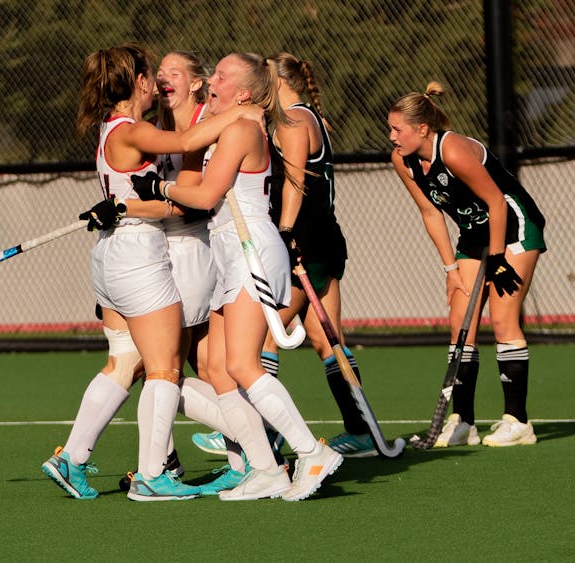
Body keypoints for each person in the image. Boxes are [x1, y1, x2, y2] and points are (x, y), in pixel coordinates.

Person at [41, 43, 257, 502]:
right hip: (139, 257)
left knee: (123, 363)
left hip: (112, 256)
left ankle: (72, 458)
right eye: (149, 74)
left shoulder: (111, 129)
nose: (155, 81)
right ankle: (154, 474)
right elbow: (184, 143)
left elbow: (160, 200)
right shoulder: (132, 130)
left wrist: (129, 202)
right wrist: (247, 112)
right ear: (138, 82)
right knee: (164, 369)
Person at [133, 52, 344, 501]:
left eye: (223, 76)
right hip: (229, 256)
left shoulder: (242, 129)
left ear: (244, 92)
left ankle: (311, 452)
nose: (213, 79)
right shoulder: (231, 123)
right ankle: (266, 469)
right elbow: (188, 137)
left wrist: (160, 188)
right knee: (221, 370)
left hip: (253, 253)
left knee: (244, 365)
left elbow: (207, 195)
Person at [190, 52, 378, 460]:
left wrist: (287, 230)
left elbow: (293, 183)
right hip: (321, 239)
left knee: (263, 340)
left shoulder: (293, 121)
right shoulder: (314, 118)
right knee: (325, 339)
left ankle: (263, 432)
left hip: (303, 240)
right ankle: (360, 428)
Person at [387, 81, 546, 447]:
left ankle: (518, 421)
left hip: (514, 227)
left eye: (397, 129)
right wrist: (450, 269)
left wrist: (499, 261)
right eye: (390, 128)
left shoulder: (454, 151)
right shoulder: (401, 160)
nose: (392, 136)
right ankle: (463, 422)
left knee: (504, 319)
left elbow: (497, 202)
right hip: (474, 234)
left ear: (422, 129)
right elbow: (430, 212)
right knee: (461, 324)